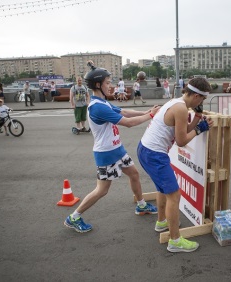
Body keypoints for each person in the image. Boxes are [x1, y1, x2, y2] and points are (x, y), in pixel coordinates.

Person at [63, 61, 160, 233]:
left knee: (134, 174)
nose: (111, 86)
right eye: (108, 83)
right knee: (102, 190)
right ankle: (74, 217)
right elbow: (128, 123)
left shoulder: (103, 103)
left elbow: (124, 112)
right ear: (98, 85)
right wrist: (151, 115)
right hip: (106, 154)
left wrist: (146, 112)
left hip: (117, 149)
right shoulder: (98, 107)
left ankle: (141, 205)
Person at [137, 77, 214, 253]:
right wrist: (200, 129)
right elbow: (181, 141)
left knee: (162, 189)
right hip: (155, 155)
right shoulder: (180, 109)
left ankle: (162, 221)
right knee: (174, 195)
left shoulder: (176, 102)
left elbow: (183, 130)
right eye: (202, 99)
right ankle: (175, 240)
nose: (202, 102)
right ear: (196, 96)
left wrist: (198, 119)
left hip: (145, 149)